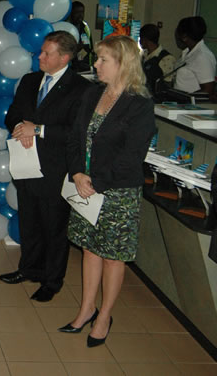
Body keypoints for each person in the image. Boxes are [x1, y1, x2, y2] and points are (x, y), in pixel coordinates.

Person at [60, 35, 154, 347]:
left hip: (116, 191)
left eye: (103, 60)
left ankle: (104, 316)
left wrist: (95, 182)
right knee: (89, 248)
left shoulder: (139, 105)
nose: (96, 65)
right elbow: (74, 137)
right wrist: (77, 173)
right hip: (85, 184)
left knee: (113, 257)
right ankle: (87, 309)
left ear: (124, 65)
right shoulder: (92, 94)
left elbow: (131, 157)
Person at [0, 31, 91, 302]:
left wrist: (37, 129)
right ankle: (29, 269)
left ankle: (52, 281)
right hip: (25, 163)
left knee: (54, 227)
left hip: (56, 168)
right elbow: (14, 114)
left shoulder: (81, 89)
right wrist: (19, 127)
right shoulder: (29, 80)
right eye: (40, 51)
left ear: (64, 57)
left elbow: (76, 132)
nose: (39, 56)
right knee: (29, 221)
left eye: (46, 53)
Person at [173, 16, 216, 97]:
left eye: (178, 33)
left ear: (184, 37)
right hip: (179, 105)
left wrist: (186, 98)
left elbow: (208, 90)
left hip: (191, 107)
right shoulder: (188, 52)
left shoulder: (202, 56)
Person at [140, 23, 176, 94]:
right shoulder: (143, 55)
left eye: (140, 38)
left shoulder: (166, 58)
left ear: (145, 39)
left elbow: (168, 85)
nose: (140, 41)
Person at [69, 1, 95, 73]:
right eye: (77, 12)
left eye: (82, 12)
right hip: (71, 64)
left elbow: (90, 45)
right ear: (71, 13)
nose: (80, 15)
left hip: (84, 64)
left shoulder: (85, 26)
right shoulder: (67, 26)